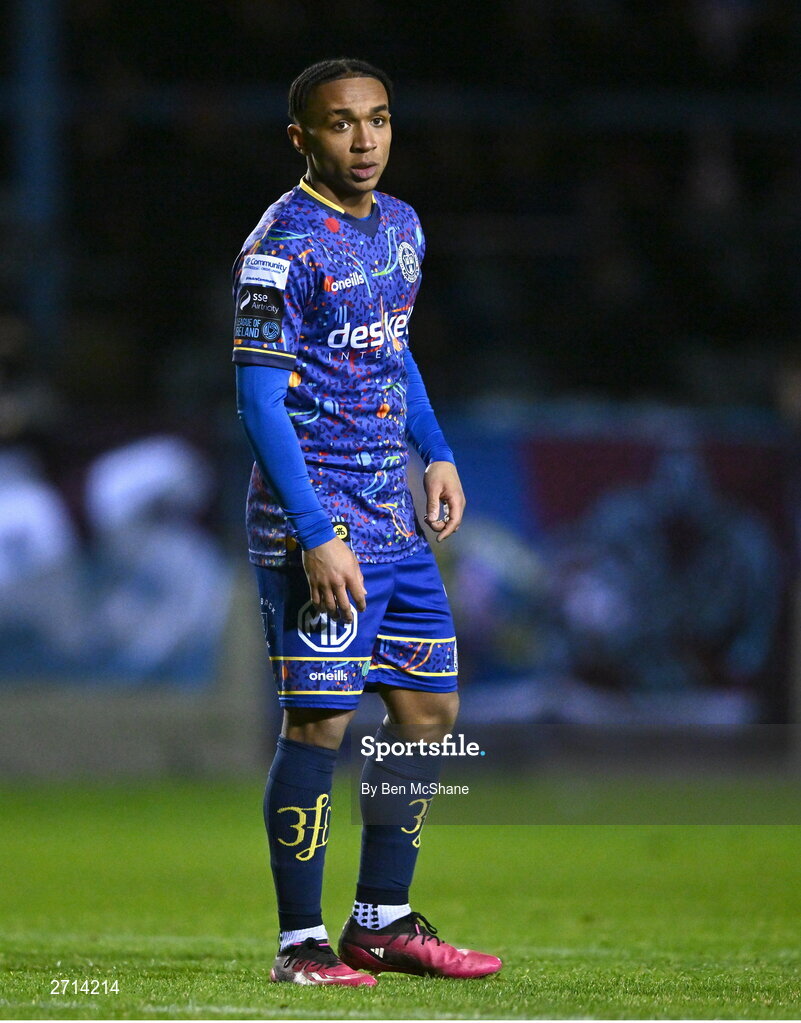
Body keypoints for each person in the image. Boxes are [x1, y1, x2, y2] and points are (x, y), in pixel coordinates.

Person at [232, 58, 502, 986]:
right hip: (316, 531)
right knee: (319, 723)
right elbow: (260, 402)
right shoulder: (279, 246)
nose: (364, 140)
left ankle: (380, 920)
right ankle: (298, 944)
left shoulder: (402, 229)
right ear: (302, 138)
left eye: (379, 120)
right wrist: (314, 533)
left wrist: (437, 449)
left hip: (393, 521)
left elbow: (395, 353)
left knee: (428, 711)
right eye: (341, 124)